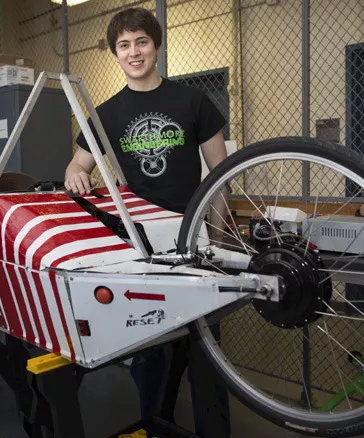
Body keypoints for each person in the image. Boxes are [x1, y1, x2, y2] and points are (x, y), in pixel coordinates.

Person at [64, 7, 231, 437]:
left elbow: (220, 177)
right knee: (149, 349)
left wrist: (217, 240)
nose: (133, 52)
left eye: (141, 42)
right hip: (139, 248)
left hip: (193, 242)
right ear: (115, 55)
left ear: (156, 46)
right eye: (124, 45)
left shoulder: (192, 101)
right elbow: (75, 167)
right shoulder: (105, 113)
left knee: (205, 351)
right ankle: (157, 426)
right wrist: (77, 173)